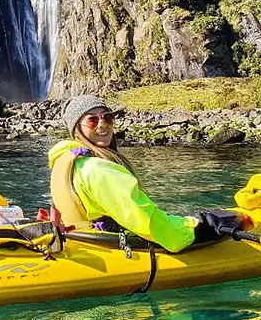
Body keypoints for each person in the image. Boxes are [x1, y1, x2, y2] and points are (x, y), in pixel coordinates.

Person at [48, 95, 235, 253]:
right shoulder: (98, 169)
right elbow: (145, 220)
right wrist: (197, 229)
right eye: (92, 120)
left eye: (107, 117)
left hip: (84, 243)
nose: (102, 124)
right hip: (112, 247)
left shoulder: (66, 161)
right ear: (76, 128)